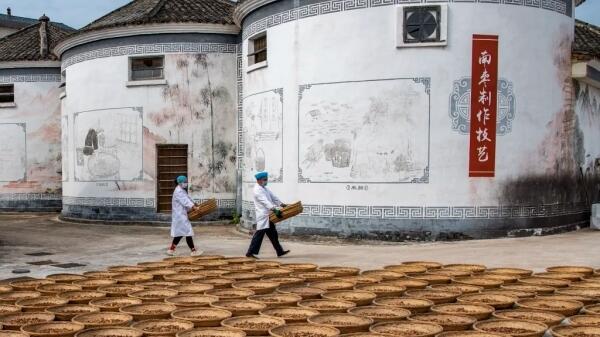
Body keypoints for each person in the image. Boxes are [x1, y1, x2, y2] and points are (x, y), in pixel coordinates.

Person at [246, 171, 290, 259]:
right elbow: (265, 202)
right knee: (259, 234)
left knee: (273, 234)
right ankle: (250, 253)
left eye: (266, 179)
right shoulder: (257, 190)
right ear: (259, 180)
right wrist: (275, 209)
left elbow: (273, 197)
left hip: (268, 215)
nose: (266, 181)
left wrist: (281, 204)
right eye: (264, 180)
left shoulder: (264, 188)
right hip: (263, 215)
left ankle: (279, 251)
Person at [167, 175, 202, 256]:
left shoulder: (182, 190)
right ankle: (193, 251)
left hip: (181, 214)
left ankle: (171, 250)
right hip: (180, 215)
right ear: (179, 183)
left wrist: (195, 204)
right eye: (184, 182)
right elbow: (185, 201)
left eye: (186, 182)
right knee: (188, 232)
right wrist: (194, 207)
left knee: (181, 233)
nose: (186, 183)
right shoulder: (178, 191)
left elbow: (188, 198)